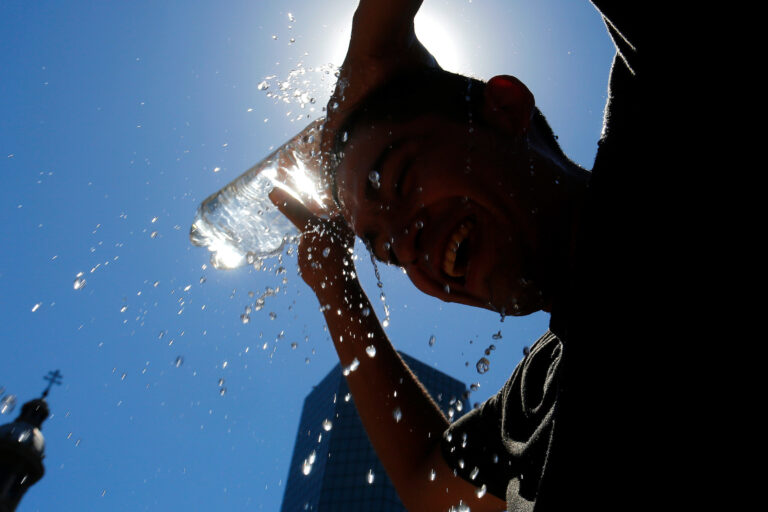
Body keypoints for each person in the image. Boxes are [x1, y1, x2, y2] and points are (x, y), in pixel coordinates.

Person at [270, 1, 684, 510]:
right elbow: (429, 487)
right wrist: (335, 284)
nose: (408, 245)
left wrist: (377, 31)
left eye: (400, 178)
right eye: (389, 253)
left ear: (505, 109)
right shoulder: (534, 407)